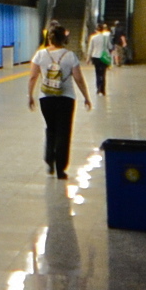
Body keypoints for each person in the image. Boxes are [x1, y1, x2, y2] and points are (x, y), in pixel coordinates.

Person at [26, 22, 92, 180]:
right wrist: (86, 97)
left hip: (46, 97)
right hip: (66, 98)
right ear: (64, 39)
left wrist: (30, 95)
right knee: (64, 131)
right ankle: (61, 168)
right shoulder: (70, 56)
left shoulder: (40, 55)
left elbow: (33, 77)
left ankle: (49, 160)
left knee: (51, 128)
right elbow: (78, 79)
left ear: (49, 38)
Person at [85, 20, 118, 101]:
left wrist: (88, 58)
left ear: (96, 29)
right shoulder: (106, 38)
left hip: (95, 56)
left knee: (97, 73)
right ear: (103, 29)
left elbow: (90, 48)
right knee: (103, 73)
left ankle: (98, 89)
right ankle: (103, 90)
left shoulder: (93, 37)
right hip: (103, 56)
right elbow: (110, 47)